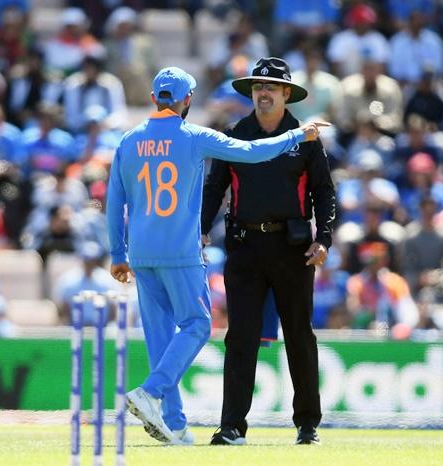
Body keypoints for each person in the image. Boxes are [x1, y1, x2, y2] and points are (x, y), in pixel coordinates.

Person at [106, 66, 327, 446]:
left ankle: (173, 424)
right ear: (187, 99)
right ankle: (153, 393)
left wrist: (117, 252)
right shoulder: (194, 136)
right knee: (197, 326)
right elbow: (253, 153)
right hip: (181, 251)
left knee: (161, 339)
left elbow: (113, 202)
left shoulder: (128, 140)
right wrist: (297, 134)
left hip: (141, 253)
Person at [201, 57, 336, 446]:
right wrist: (201, 230)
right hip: (244, 246)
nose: (263, 93)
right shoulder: (234, 135)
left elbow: (324, 191)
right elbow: (215, 187)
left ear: (286, 94)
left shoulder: (306, 137)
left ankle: (307, 425)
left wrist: (323, 238)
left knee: (299, 335)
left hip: (292, 248)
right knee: (239, 336)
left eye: (271, 88)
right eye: (258, 87)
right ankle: (231, 427)